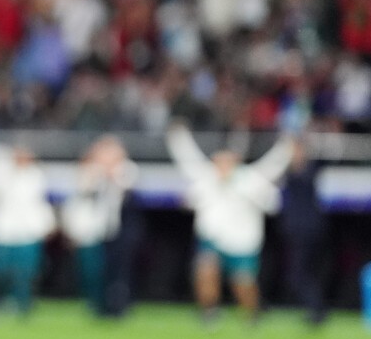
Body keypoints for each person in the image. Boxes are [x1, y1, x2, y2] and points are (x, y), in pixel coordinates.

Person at [166, 121, 292, 326]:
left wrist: (287, 145)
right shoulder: (207, 178)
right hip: (212, 238)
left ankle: (252, 314)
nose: (222, 166)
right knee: (205, 271)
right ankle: (209, 312)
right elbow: (188, 160)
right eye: (219, 161)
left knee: (242, 285)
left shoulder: (251, 180)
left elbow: (274, 180)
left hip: (242, 242)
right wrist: (177, 136)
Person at [59, 136, 139, 317]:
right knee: (98, 270)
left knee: (120, 271)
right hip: (102, 231)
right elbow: (83, 191)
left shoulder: (127, 169)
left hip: (122, 229)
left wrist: (109, 169)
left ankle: (119, 306)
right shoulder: (92, 172)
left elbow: (125, 187)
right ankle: (101, 306)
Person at [0, 142, 56, 316]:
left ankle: (23, 306)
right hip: (2, 232)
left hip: (28, 233)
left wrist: (47, 223)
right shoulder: (1, 173)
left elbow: (40, 202)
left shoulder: (37, 176)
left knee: (26, 273)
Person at [278, 137, 330, 326]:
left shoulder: (311, 170)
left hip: (308, 230)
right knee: (301, 273)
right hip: (297, 231)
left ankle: (317, 311)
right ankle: (316, 310)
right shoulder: (287, 171)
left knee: (299, 274)